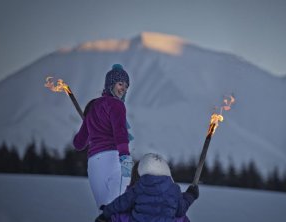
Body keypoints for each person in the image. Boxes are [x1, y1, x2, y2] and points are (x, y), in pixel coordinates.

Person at [73, 64, 134, 209]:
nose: (123, 89)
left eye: (126, 86)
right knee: (118, 210)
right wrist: (125, 156)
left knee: (104, 213)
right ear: (110, 84)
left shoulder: (92, 106)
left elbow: (79, 143)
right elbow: (120, 132)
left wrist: (92, 124)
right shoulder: (116, 105)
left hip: (94, 164)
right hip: (113, 159)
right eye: (120, 84)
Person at [95, 153, 199, 222]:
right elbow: (181, 208)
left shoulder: (138, 189)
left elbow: (120, 204)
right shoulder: (174, 191)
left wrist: (105, 214)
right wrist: (190, 194)